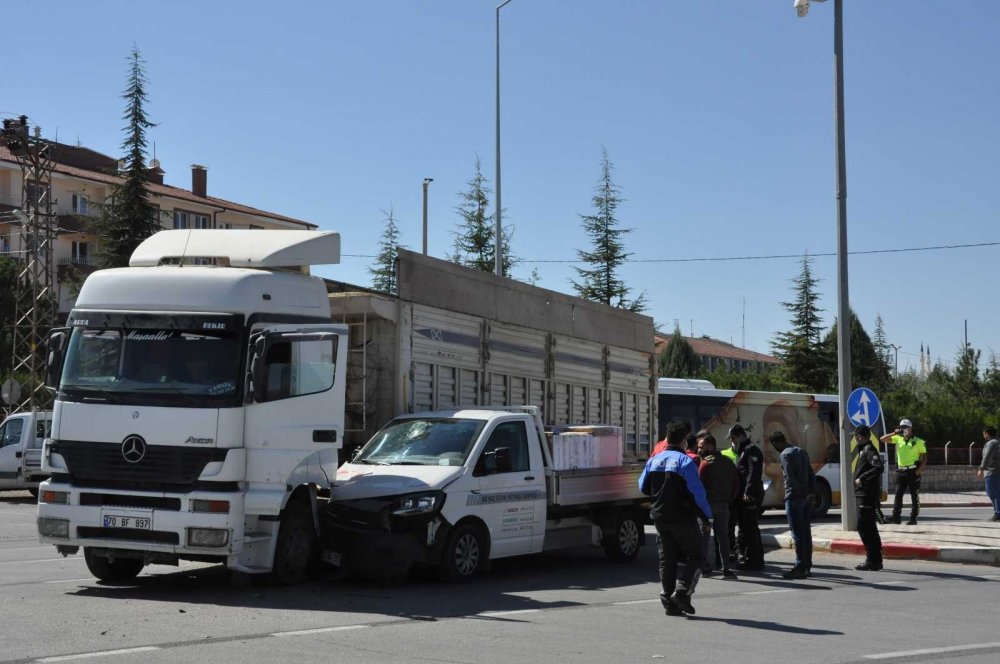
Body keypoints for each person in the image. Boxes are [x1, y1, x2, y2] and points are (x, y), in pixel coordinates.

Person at [639, 420, 713, 617]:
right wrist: (707, 515)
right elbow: (698, 493)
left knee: (667, 559)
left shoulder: (654, 459)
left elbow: (642, 486)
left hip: (660, 517)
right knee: (697, 555)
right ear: (683, 440)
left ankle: (668, 600)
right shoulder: (685, 462)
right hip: (683, 517)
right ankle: (682, 591)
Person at [769, 431, 816, 579]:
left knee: (797, 535)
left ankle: (800, 567)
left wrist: (802, 492)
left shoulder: (784, 455)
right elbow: (811, 473)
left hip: (794, 498)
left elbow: (791, 479)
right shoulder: (801, 451)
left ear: (776, 443)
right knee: (806, 532)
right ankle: (807, 565)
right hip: (806, 499)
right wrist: (811, 493)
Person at [697, 432, 739, 579]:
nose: (699, 450)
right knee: (723, 537)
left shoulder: (705, 463)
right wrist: (729, 499)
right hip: (723, 505)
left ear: (710, 446)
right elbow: (736, 485)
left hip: (708, 507)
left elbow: (699, 486)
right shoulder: (728, 462)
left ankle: (703, 567)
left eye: (701, 447)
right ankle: (726, 568)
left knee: (704, 537)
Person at [880, 418, 927, 525]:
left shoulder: (919, 442)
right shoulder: (898, 438)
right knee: (898, 494)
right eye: (902, 427)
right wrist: (894, 432)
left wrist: (918, 471)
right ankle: (896, 517)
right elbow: (882, 439)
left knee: (914, 495)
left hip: (912, 471)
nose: (904, 429)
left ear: (911, 429)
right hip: (901, 471)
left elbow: (924, 458)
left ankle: (913, 518)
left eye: (906, 427)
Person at [731, 424, 765, 571]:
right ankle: (748, 557)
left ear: (740, 436)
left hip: (750, 496)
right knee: (745, 527)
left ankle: (755, 560)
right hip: (744, 495)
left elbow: (753, 471)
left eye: (733, 438)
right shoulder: (743, 450)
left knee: (750, 528)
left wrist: (748, 491)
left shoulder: (751, 449)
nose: (732, 441)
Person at [853, 424, 884, 570]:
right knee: (869, 526)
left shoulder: (870, 450)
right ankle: (876, 559)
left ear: (862, 436)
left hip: (866, 494)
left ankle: (872, 559)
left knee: (863, 526)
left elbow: (878, 468)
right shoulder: (864, 450)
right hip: (863, 493)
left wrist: (862, 478)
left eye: (857, 436)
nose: (856, 439)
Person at [977, 426, 1000, 521]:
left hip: (992, 471)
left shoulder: (991, 443)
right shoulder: (998, 441)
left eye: (984, 433)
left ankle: (998, 513)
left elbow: (987, 456)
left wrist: (981, 469)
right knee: (997, 492)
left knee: (993, 492)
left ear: (987, 433)